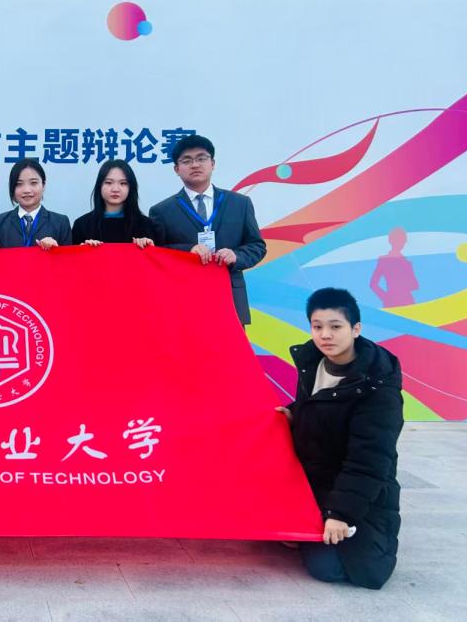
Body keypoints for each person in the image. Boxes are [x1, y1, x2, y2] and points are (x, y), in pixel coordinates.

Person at [278, 288, 403, 589]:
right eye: (317, 326)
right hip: (316, 480)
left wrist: (340, 514)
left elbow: (370, 460)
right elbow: (320, 406)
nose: (325, 335)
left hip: (359, 489)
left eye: (336, 326)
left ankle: (321, 524)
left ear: (355, 329)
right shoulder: (313, 362)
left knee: (330, 568)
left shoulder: (378, 388)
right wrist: (295, 415)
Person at [148, 135, 266, 325]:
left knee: (230, 346)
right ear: (176, 169)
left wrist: (236, 256)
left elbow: (257, 246)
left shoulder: (239, 203)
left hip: (230, 299)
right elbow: (156, 255)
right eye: (187, 160)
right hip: (183, 301)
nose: (195, 165)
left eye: (201, 158)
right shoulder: (162, 211)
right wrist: (187, 250)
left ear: (212, 163)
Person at [0, 158, 71, 252]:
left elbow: (69, 259)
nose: (26, 190)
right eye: (19, 184)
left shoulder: (60, 222)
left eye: (33, 183)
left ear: (43, 185)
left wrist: (56, 250)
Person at [71, 159, 161, 247]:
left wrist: (148, 247)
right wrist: (83, 250)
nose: (115, 189)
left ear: (131, 187)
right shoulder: (81, 224)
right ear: (99, 186)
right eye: (108, 182)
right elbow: (72, 256)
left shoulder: (145, 225)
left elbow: (155, 256)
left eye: (123, 183)